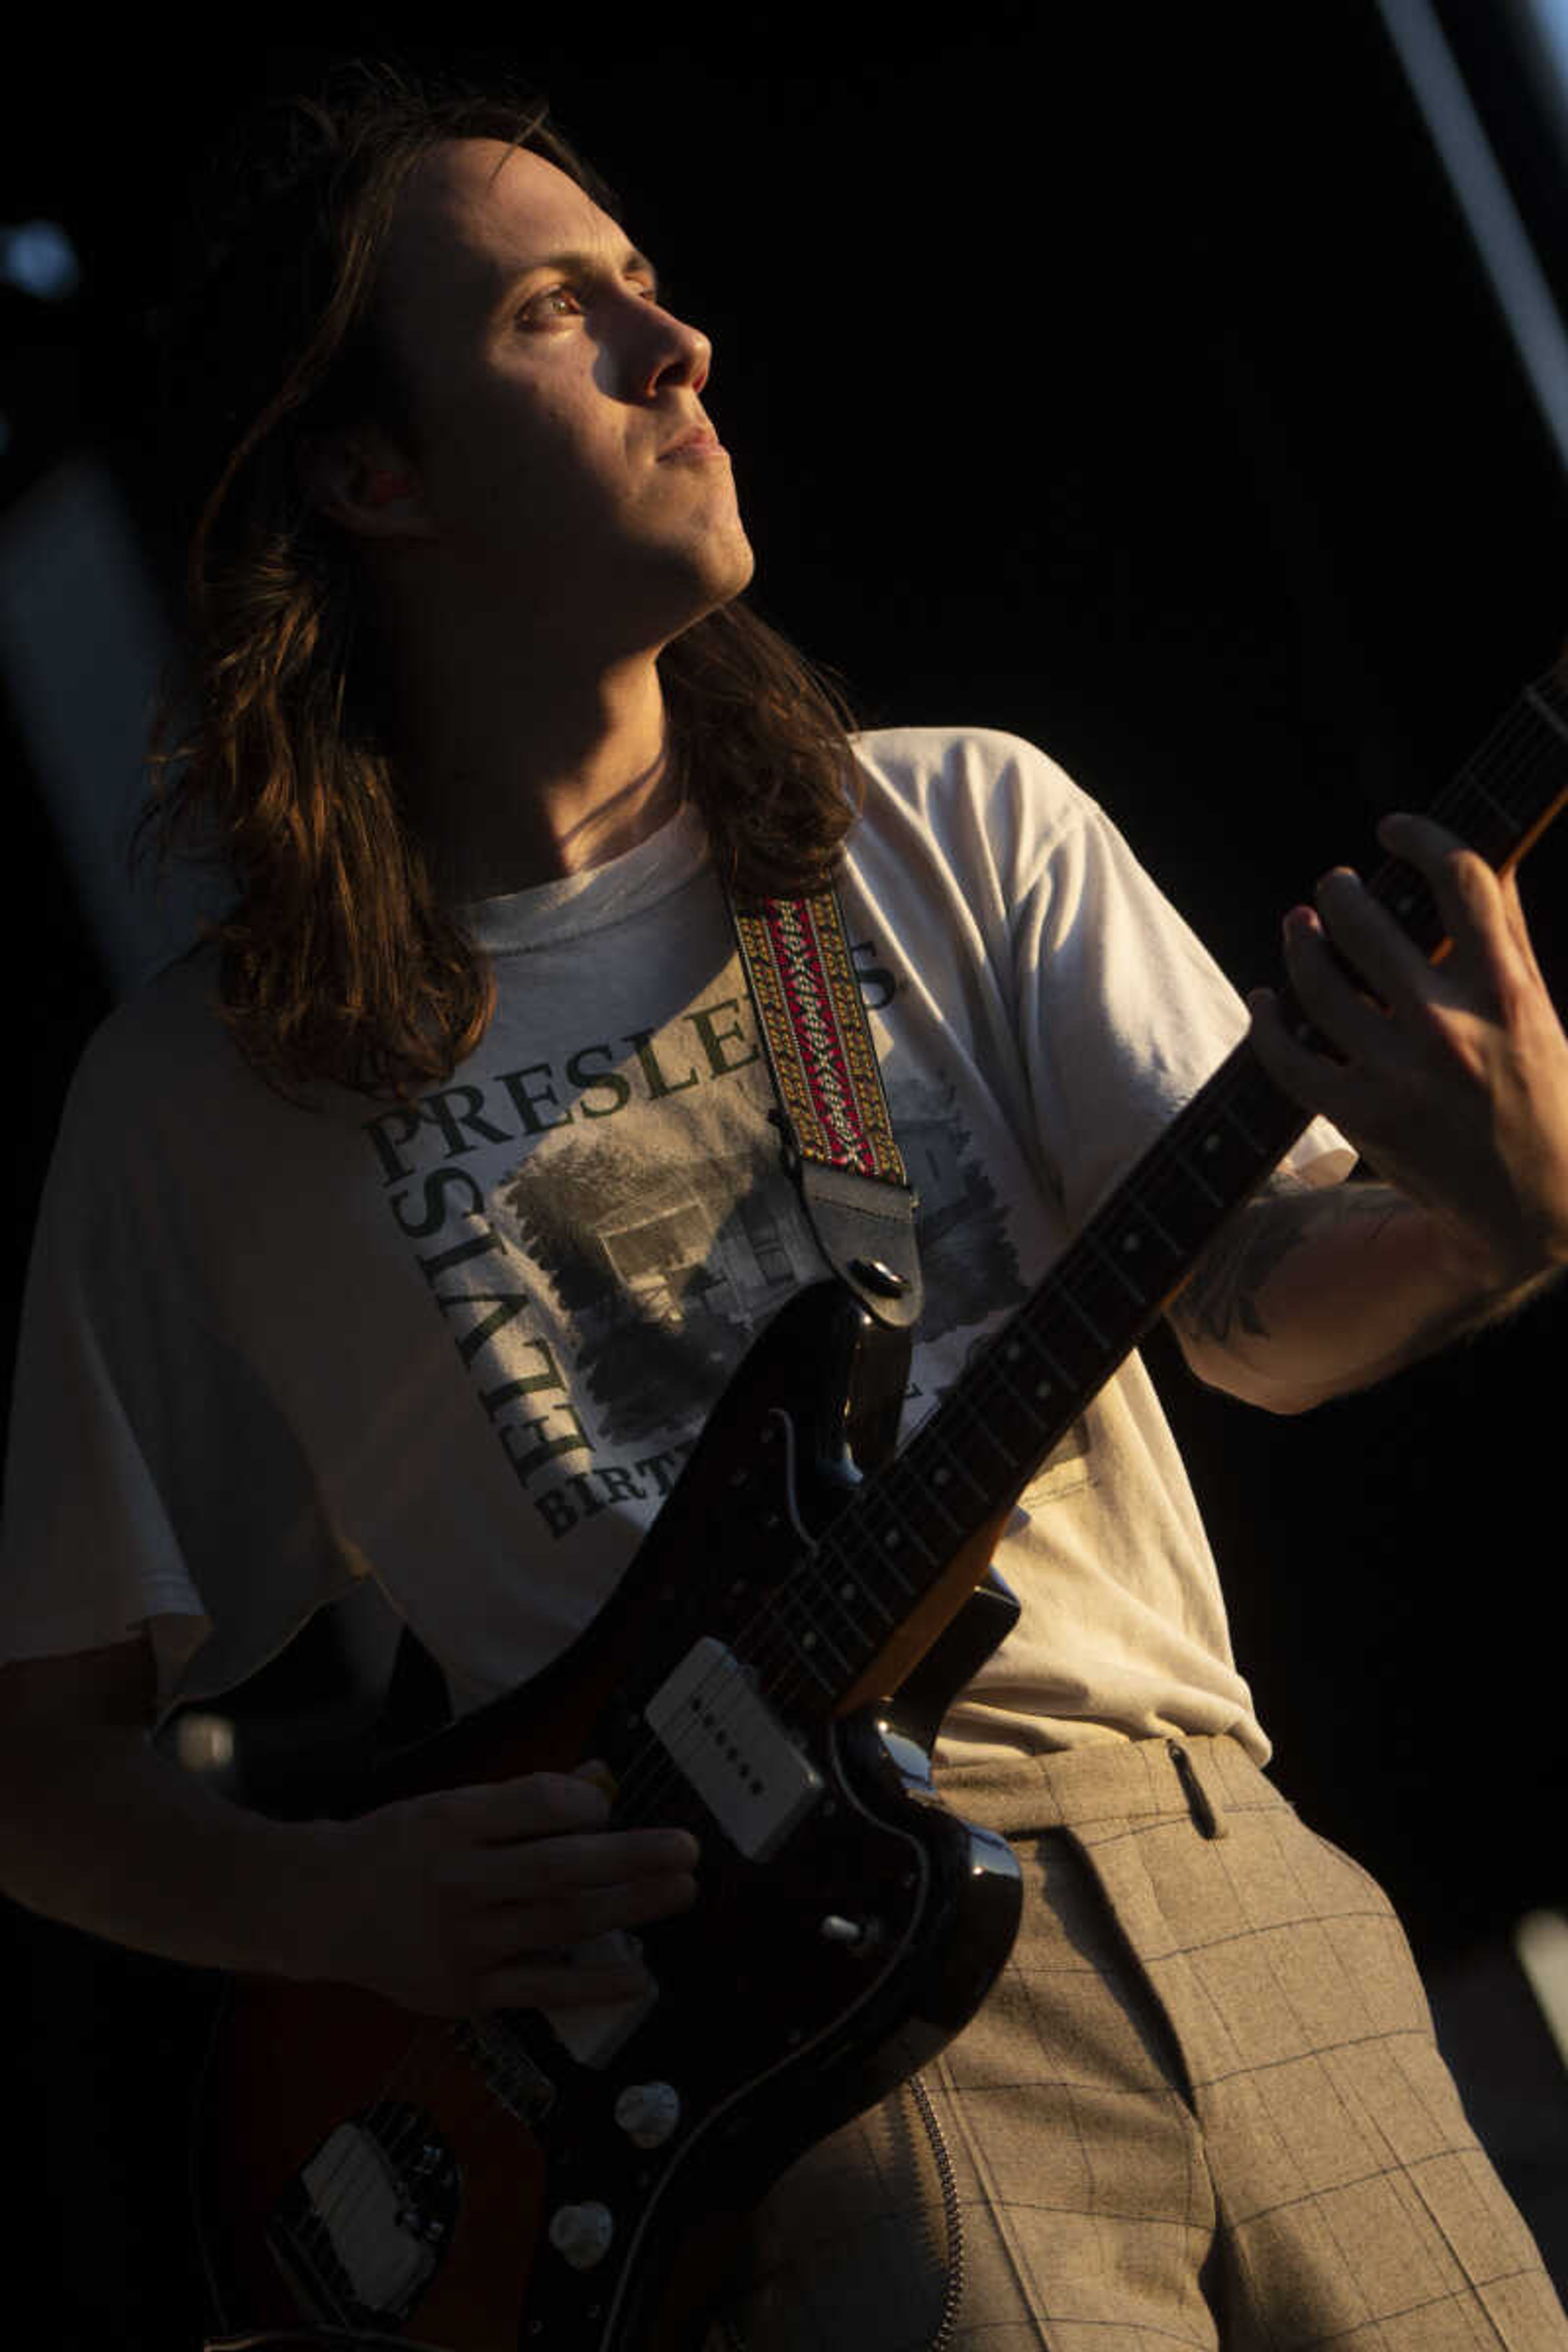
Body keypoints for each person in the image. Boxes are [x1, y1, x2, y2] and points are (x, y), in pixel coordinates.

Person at [2, 55, 1566, 2350]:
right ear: (371, 470)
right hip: (808, 2081)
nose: (681, 345)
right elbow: (40, 1773)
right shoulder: (193, 1111)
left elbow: (1243, 1311)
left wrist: (1505, 1214)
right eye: (561, 312)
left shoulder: (944, 832)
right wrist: (340, 1909)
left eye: (652, 284)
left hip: (1233, 1867)